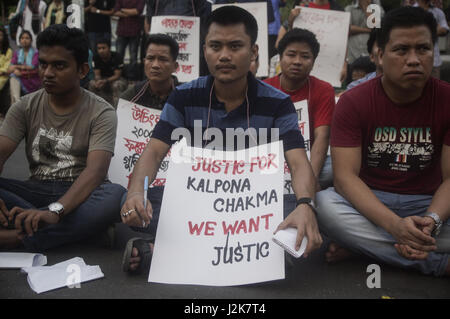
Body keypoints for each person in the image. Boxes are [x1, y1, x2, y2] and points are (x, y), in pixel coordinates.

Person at [120, 5, 322, 274]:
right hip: (193, 202)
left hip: (251, 208)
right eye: (216, 46)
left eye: (235, 46)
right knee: (129, 202)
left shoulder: (278, 103)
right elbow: (154, 152)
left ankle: (163, 250)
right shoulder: (183, 96)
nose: (224, 56)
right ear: (205, 51)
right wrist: (136, 192)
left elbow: (298, 162)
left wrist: (305, 204)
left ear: (253, 52)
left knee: (305, 213)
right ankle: (257, 255)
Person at [316, 7, 450, 276]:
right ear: (379, 55)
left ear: (433, 53)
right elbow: (345, 179)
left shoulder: (448, 99)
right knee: (323, 204)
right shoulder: (353, 102)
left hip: (430, 204)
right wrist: (395, 226)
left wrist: (432, 221)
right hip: (370, 201)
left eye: (423, 49)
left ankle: (363, 246)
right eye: (401, 50)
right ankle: (437, 263)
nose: (413, 60)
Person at [0, 24, 126, 251]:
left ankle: (17, 238)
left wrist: (55, 211)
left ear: (82, 70)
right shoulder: (24, 107)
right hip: (36, 190)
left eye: (59, 66)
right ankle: (83, 233)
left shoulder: (102, 112)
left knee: (115, 196)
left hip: (82, 193)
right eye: (44, 64)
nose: (47, 73)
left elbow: (95, 173)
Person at [264, 28, 335, 190]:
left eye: (305, 56)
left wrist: (310, 178)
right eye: (291, 54)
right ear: (280, 57)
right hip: (271, 160)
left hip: (309, 159)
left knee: (334, 167)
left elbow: (322, 136)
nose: (297, 61)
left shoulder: (324, 90)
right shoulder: (264, 89)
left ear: (313, 61)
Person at [120, 33, 179, 108]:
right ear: (144, 62)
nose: (155, 65)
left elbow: (197, 120)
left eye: (163, 59)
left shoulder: (188, 96)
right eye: (150, 58)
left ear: (175, 66)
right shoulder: (129, 98)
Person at [344, 0, 384, 67]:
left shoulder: (378, 9)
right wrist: (367, 30)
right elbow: (348, 28)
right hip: (352, 54)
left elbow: (374, 26)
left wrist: (366, 7)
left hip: (370, 55)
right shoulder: (349, 9)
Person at [416, 0, 449, 79]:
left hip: (434, 61)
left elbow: (444, 30)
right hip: (415, 60)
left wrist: (421, 30)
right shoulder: (409, 11)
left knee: (435, 89)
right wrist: (434, 29)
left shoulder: (438, 12)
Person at [89, 38, 127, 105]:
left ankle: (117, 109)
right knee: (92, 83)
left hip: (117, 79)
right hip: (103, 78)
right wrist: (98, 81)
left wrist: (105, 81)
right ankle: (96, 106)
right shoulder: (96, 57)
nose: (101, 51)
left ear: (109, 48)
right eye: (99, 48)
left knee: (117, 85)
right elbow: (97, 74)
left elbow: (117, 75)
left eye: (103, 48)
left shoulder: (117, 56)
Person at [7, 30, 41, 105]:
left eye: (27, 38)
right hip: (20, 77)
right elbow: (9, 68)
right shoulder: (17, 53)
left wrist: (16, 67)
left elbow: (31, 67)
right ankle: (16, 104)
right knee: (13, 76)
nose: (24, 40)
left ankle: (16, 104)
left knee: (14, 75)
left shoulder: (36, 52)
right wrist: (15, 70)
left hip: (32, 78)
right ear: (19, 40)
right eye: (22, 38)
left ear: (31, 40)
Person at [113, 0, 145, 67]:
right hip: (122, 30)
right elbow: (115, 12)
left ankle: (132, 75)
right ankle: (119, 73)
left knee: (133, 55)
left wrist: (122, 9)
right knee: (119, 54)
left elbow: (137, 11)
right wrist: (130, 12)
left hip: (135, 30)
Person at [0, 26, 13, 121]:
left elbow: (8, 65)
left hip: (4, 75)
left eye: (0, 35)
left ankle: (4, 112)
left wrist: (2, 71)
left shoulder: (8, 51)